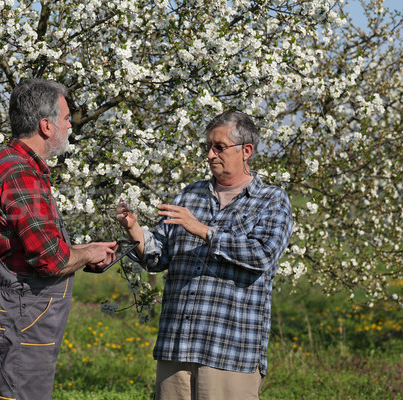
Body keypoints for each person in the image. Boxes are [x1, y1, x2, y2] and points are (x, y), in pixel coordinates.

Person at [116, 110, 293, 400]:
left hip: (230, 351)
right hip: (178, 345)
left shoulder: (271, 201)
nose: (210, 155)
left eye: (219, 146)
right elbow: (158, 257)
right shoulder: (190, 196)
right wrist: (134, 230)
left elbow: (262, 255)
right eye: (207, 146)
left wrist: (203, 231)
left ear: (246, 151)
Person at [0, 78, 117, 400]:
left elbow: (34, 246)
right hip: (21, 314)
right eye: (66, 119)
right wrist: (88, 252)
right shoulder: (20, 173)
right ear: (46, 125)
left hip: (19, 313)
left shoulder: (13, 165)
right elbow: (51, 262)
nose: (70, 126)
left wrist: (87, 251)